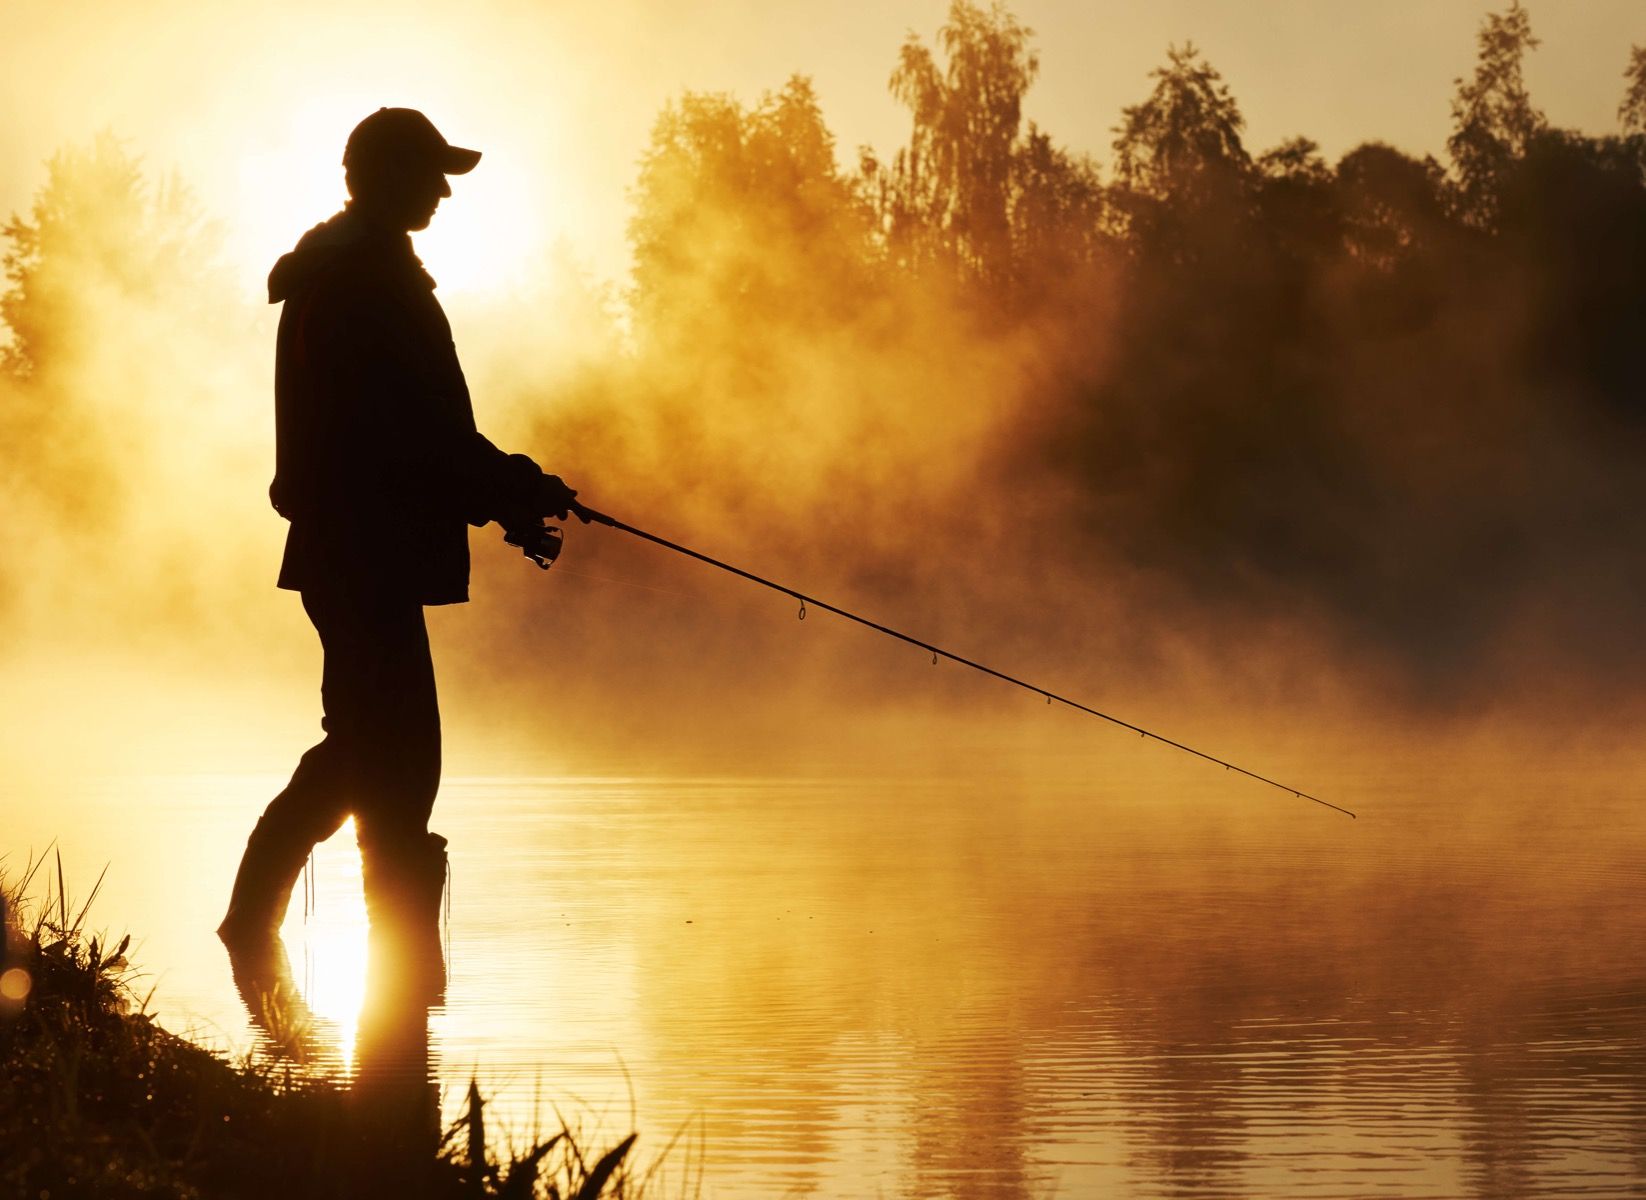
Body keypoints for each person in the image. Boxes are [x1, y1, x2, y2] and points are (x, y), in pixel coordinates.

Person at [217, 108, 576, 989]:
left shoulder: (360, 275)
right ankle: (384, 981)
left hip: (356, 544)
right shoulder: (364, 285)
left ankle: (303, 954)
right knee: (391, 749)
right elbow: (410, 433)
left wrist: (506, 497)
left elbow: (418, 435)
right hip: (360, 545)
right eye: (431, 174)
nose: (447, 192)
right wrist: (512, 488)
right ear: (380, 178)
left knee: (377, 746)